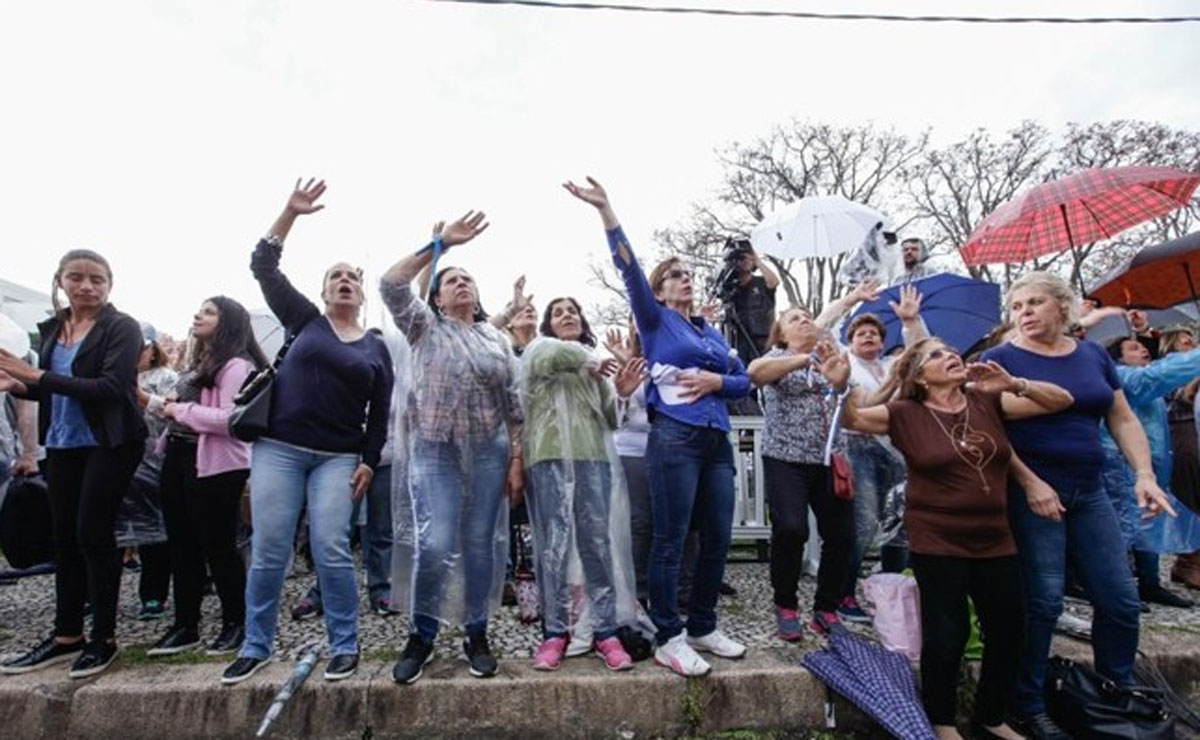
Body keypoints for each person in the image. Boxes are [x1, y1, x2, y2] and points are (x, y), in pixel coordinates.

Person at [840, 338, 1072, 740]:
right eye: (936, 355)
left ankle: (991, 715)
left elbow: (1061, 400)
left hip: (996, 537)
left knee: (1010, 630)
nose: (951, 356)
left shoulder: (986, 401)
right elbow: (854, 420)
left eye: (951, 351)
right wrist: (841, 386)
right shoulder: (904, 413)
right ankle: (943, 722)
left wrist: (1015, 383)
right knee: (948, 634)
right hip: (938, 538)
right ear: (918, 377)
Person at [565, 176, 751, 677]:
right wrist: (607, 209)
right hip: (674, 438)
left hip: (716, 441)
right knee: (669, 540)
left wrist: (717, 380)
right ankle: (669, 634)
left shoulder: (710, 332)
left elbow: (743, 382)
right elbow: (627, 269)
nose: (685, 279)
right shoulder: (655, 322)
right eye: (674, 275)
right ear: (660, 289)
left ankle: (703, 624)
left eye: (689, 274)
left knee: (716, 538)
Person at [980, 271, 1175, 740]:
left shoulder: (1090, 356)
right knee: (1043, 602)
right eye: (1018, 306)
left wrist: (1143, 475)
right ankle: (1027, 704)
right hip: (1033, 490)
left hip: (1090, 491)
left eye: (1035, 303)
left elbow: (1122, 417)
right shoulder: (998, 359)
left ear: (1062, 308)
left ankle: (1114, 693)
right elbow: (991, 435)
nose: (1024, 313)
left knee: (1121, 599)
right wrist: (1030, 484)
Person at [222, 180, 394, 685]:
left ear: (361, 294)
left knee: (332, 547)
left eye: (351, 278)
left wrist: (367, 459)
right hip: (280, 449)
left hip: (339, 458)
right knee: (271, 546)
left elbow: (379, 414)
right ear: (322, 291)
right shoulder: (305, 321)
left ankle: (346, 644)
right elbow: (263, 266)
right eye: (335, 276)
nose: (344, 281)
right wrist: (289, 214)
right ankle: (256, 645)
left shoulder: (376, 347)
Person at [381, 210, 524, 684]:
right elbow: (390, 285)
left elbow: (513, 404)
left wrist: (516, 459)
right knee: (436, 541)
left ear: (477, 295)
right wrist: (439, 246)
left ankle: (476, 631)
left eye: (468, 279)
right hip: (435, 449)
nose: (461, 283)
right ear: (438, 298)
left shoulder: (495, 338)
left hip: (489, 450)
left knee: (480, 546)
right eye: (451, 280)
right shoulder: (424, 329)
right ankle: (421, 635)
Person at [0, 249, 147, 679]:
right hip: (63, 442)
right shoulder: (54, 328)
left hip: (110, 442)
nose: (86, 286)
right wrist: (18, 386)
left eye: (96, 279)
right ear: (60, 280)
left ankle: (104, 638)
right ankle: (67, 635)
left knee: (92, 533)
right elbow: (53, 390)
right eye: (77, 277)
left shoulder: (121, 328)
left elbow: (109, 388)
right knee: (63, 536)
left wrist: (37, 378)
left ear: (109, 285)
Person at [521, 297, 639, 671]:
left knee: (597, 545)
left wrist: (620, 392)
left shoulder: (595, 364)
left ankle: (606, 632)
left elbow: (610, 419)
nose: (567, 315)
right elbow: (545, 358)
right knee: (553, 545)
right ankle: (555, 632)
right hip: (549, 458)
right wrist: (587, 361)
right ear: (548, 325)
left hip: (592, 460)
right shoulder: (541, 352)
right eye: (558, 312)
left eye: (573, 310)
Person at [146, 297, 267, 658]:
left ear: (228, 322)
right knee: (181, 544)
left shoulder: (236, 366)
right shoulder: (199, 362)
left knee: (218, 546)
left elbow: (230, 420)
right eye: (199, 309)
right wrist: (160, 405)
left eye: (210, 311)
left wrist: (178, 409)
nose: (199, 315)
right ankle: (186, 624)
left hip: (216, 464)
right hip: (180, 457)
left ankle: (236, 622)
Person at [747, 312, 852, 640]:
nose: (804, 320)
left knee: (842, 535)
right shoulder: (777, 357)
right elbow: (755, 374)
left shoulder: (833, 355)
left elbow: (848, 402)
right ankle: (786, 604)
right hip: (786, 459)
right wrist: (804, 358)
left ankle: (826, 608)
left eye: (808, 316)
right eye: (794, 318)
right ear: (781, 332)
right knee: (792, 528)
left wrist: (840, 382)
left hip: (829, 459)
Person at [1101, 336, 1200, 608]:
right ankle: (1118, 591)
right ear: (1117, 358)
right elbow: (1161, 375)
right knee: (1124, 527)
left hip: (1149, 467)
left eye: (1143, 346)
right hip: (1120, 465)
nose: (1143, 349)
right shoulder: (1122, 376)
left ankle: (1149, 583)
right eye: (1133, 348)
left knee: (1148, 524)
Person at [115, 323, 177, 622]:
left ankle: (153, 595)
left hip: (154, 459)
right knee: (112, 532)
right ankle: (97, 596)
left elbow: (172, 413)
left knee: (154, 532)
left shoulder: (166, 378)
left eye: (144, 346)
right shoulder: (111, 374)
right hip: (118, 459)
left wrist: (140, 397)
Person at [1162, 326, 1200, 590]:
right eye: (1184, 341)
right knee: (1191, 496)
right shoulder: (1167, 367)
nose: (1191, 344)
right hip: (1181, 431)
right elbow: (1179, 396)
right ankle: (1188, 562)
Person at [724, 243, 779, 365]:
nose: (745, 261)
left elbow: (774, 282)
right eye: (741, 258)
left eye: (747, 257)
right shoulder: (730, 288)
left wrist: (758, 261)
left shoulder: (761, 282)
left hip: (762, 342)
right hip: (740, 342)